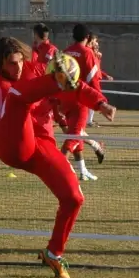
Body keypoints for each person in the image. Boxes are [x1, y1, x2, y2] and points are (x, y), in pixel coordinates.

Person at [0, 23, 117, 278]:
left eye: (20, 61)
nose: (18, 67)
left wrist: (99, 103)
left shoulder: (35, 70)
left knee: (74, 198)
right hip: (9, 144)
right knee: (17, 96)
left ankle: (54, 253)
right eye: (12, 64)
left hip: (41, 144)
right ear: (1, 65)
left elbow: (70, 82)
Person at [61, 24, 106, 180]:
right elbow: (93, 79)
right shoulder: (87, 53)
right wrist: (100, 103)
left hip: (64, 99)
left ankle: (83, 170)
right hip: (80, 100)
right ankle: (57, 168)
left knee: (76, 133)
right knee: (74, 136)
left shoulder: (65, 52)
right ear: (87, 38)